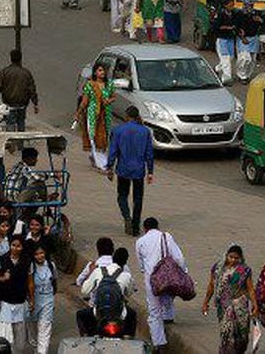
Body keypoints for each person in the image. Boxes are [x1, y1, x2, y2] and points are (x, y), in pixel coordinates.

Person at [136, 218, 187, 352]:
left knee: (154, 312)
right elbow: (179, 258)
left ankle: (159, 343)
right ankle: (169, 317)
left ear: (144, 228)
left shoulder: (140, 242)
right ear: (158, 227)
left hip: (151, 280)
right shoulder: (167, 236)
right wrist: (183, 272)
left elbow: (141, 265)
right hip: (168, 277)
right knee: (169, 295)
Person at [107, 106, 154, 236]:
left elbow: (113, 151)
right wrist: (150, 171)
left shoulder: (118, 130)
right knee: (138, 198)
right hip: (139, 170)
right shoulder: (145, 131)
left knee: (122, 195)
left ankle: (127, 216)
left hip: (123, 169)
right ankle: (135, 226)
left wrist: (110, 167)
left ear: (126, 116)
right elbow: (149, 153)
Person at [203, 244, 257, 354]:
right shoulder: (218, 269)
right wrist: (205, 302)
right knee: (226, 334)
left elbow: (250, 289)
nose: (233, 260)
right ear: (226, 255)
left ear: (240, 258)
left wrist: (255, 304)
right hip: (224, 307)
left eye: (236, 258)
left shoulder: (244, 270)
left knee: (242, 335)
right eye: (231, 257)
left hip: (240, 306)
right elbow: (211, 286)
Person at [78, 246, 137, 338]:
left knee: (80, 315)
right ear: (125, 262)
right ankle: (128, 337)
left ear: (113, 258)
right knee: (133, 314)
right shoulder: (127, 276)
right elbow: (128, 294)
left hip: (98, 314)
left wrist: (90, 273)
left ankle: (86, 338)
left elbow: (84, 291)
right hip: (120, 315)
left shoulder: (98, 271)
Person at [0, 235, 30, 348]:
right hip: (5, 303)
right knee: (4, 337)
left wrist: (31, 299)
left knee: (20, 338)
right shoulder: (1, 260)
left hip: (20, 302)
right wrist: (2, 278)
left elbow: (30, 281)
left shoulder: (27, 261)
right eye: (13, 245)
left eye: (18, 246)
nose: (15, 248)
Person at [78, 63, 114, 170]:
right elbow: (84, 101)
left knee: (104, 135)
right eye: (100, 70)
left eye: (103, 71)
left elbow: (113, 97)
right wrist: (78, 113)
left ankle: (101, 157)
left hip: (106, 113)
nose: (102, 73)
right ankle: (95, 157)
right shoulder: (90, 84)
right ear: (95, 72)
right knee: (92, 135)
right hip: (93, 113)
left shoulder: (109, 84)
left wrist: (109, 101)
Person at [0, 49, 38, 131]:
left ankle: (11, 142)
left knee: (10, 124)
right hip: (22, 104)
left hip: (9, 104)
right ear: (21, 58)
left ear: (11, 58)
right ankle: (20, 142)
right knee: (21, 123)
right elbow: (32, 89)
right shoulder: (26, 73)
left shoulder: (4, 72)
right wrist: (35, 103)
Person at [28, 243, 57, 354]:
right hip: (33, 300)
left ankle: (42, 352)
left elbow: (54, 281)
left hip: (48, 300)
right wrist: (30, 300)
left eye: (41, 253)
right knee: (32, 329)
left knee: (44, 328)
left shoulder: (51, 265)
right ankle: (36, 349)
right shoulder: (30, 266)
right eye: (36, 254)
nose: (39, 256)